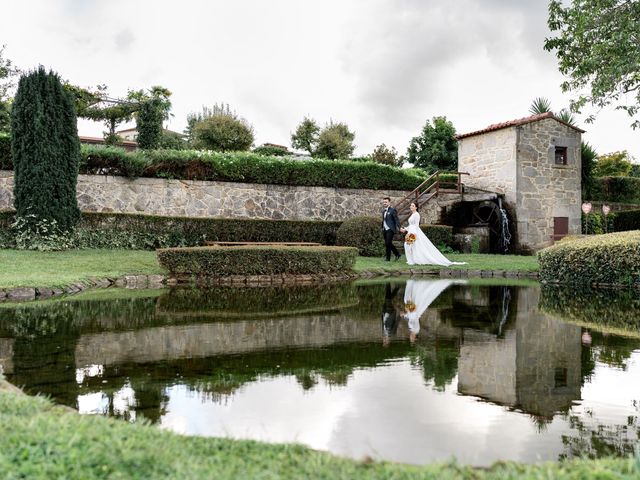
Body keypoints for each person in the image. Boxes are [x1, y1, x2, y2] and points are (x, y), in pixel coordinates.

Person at [401, 202, 466, 266]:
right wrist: (405, 229)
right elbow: (411, 225)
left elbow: (416, 225)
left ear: (416, 207)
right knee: (408, 246)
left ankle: (412, 261)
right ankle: (411, 260)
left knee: (408, 245)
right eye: (411, 205)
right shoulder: (412, 214)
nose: (411, 207)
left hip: (413, 232)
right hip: (410, 231)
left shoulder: (417, 214)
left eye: (412, 206)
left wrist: (413, 234)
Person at [402, 279, 460, 343]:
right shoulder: (416, 330)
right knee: (409, 298)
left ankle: (411, 281)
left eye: (410, 338)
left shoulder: (411, 330)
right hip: (414, 311)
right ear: (415, 337)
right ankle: (412, 282)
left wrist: (405, 315)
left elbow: (410, 319)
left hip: (412, 312)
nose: (410, 337)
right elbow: (414, 318)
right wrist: (409, 311)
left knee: (407, 298)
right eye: (412, 338)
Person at [381, 196, 402, 262]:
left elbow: (396, 219)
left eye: (386, 202)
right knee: (388, 243)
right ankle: (397, 254)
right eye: (384, 202)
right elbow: (384, 220)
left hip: (390, 229)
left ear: (389, 203)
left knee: (388, 242)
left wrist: (399, 227)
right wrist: (382, 227)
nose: (385, 203)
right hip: (385, 229)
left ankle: (388, 258)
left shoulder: (393, 210)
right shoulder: (383, 211)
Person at [381, 283, 401, 347]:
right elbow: (396, 324)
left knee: (388, 298)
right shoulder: (392, 333)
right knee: (388, 299)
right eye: (385, 341)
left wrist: (382, 314)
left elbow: (383, 322)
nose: (384, 340)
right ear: (388, 341)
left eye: (383, 341)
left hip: (385, 311)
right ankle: (388, 283)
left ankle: (396, 287)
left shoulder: (383, 332)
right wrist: (399, 315)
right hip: (391, 312)